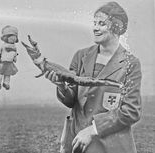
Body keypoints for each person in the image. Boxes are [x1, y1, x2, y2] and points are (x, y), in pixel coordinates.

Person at [45, 1, 142, 153]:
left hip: (110, 146)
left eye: (102, 23)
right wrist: (61, 86)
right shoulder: (81, 56)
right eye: (94, 23)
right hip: (77, 143)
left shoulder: (131, 64)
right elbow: (71, 101)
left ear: (117, 27)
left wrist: (93, 129)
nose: (95, 28)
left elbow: (131, 110)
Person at [0, 25, 19, 90]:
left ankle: (6, 83)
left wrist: (15, 58)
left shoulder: (14, 47)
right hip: (3, 62)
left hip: (10, 63)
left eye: (14, 37)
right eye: (11, 37)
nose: (13, 39)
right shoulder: (3, 46)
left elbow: (14, 54)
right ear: (6, 38)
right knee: (0, 73)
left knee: (8, 74)